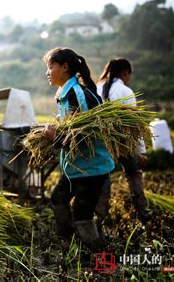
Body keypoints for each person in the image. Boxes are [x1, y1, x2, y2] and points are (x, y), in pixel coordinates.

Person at [42, 47, 115, 249]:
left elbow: (83, 139)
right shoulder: (65, 94)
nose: (47, 72)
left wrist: (54, 137)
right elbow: (73, 129)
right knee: (58, 199)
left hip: (91, 167)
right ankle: (69, 242)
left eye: (50, 66)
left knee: (82, 215)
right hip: (76, 166)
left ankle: (98, 254)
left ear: (64, 67)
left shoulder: (77, 95)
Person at [95, 58, 152, 223]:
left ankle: (101, 216)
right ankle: (143, 212)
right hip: (123, 144)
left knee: (103, 176)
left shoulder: (96, 89)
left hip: (102, 144)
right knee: (134, 173)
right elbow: (135, 126)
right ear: (125, 73)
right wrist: (141, 151)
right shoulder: (125, 91)